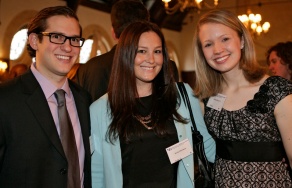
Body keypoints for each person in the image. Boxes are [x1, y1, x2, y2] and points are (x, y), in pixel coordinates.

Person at [90, 21, 215, 188]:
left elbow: (208, 146)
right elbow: (97, 172)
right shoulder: (100, 109)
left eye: (157, 51)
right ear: (126, 54)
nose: (151, 59)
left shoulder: (182, 96)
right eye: (142, 51)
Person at [193, 9, 292, 187]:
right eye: (208, 44)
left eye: (225, 39)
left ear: (242, 41)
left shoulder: (275, 90)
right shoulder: (205, 98)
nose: (217, 50)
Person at [0, 6, 92, 188]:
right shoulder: (5, 100)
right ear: (34, 41)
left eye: (74, 40)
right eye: (57, 37)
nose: (67, 47)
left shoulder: (84, 100)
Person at [75, 0, 179, 102]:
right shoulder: (167, 67)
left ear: (113, 33)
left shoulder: (87, 68)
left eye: (157, 51)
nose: (151, 59)